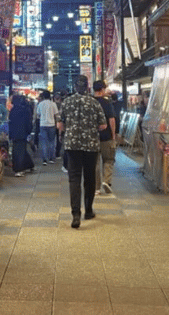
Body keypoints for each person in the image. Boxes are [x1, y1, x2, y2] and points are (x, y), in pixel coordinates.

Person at [58, 75, 107, 228]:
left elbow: (60, 125)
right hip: (91, 146)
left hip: (72, 146)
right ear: (87, 87)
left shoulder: (67, 102)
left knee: (74, 179)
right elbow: (103, 125)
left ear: (74, 87)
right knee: (90, 178)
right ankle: (89, 210)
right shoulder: (94, 102)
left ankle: (75, 215)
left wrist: (70, 130)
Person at [92, 80, 116, 194]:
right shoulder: (107, 103)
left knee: (95, 162)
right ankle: (106, 181)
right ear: (102, 89)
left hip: (92, 137)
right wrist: (113, 135)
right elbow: (111, 119)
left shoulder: (90, 102)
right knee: (108, 160)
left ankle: (96, 188)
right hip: (106, 136)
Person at [8, 93, 34, 176]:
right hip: (23, 133)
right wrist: (28, 131)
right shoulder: (25, 109)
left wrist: (10, 133)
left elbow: (10, 123)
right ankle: (28, 165)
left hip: (15, 133)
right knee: (21, 150)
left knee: (17, 151)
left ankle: (19, 169)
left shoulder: (13, 110)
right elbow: (28, 123)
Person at [35, 90, 59, 165]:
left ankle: (45, 160)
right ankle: (51, 158)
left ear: (43, 96)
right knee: (52, 142)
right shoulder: (53, 104)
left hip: (43, 124)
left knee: (44, 142)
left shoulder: (40, 104)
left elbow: (38, 115)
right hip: (51, 124)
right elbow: (56, 115)